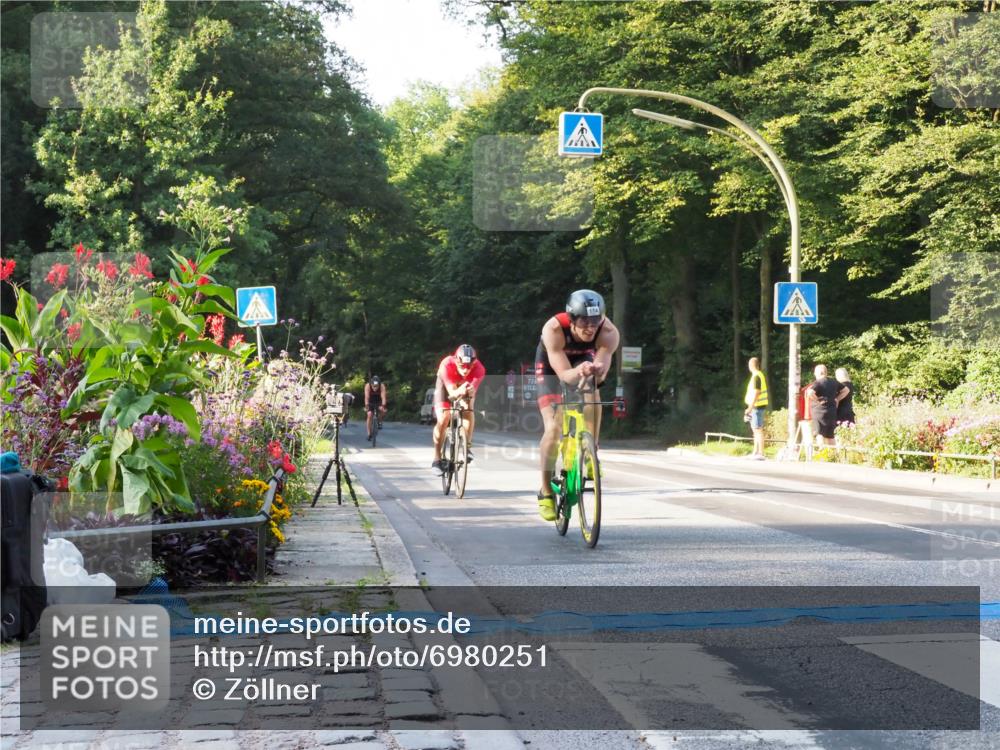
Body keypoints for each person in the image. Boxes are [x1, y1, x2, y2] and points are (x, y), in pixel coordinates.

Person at [535, 289, 620, 521]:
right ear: (572, 318)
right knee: (553, 429)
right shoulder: (553, 330)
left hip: (583, 361)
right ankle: (545, 491)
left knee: (592, 390)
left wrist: (596, 371)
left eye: (596, 320)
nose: (591, 327)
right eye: (584, 321)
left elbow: (600, 375)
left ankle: (591, 451)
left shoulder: (609, 332)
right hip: (554, 367)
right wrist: (579, 371)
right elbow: (564, 375)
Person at [432, 345, 486, 475]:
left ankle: (466, 446)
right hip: (446, 388)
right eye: (462, 366)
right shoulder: (446, 364)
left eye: (469, 366)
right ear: (457, 361)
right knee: (444, 417)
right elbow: (452, 393)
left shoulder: (479, 368)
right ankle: (437, 458)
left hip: (464, 387)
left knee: (468, 409)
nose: (466, 370)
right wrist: (459, 391)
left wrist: (469, 393)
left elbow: (471, 392)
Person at [806, 365, 848, 447]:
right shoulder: (834, 382)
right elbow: (846, 390)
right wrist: (837, 399)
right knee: (830, 436)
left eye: (815, 372)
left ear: (818, 373)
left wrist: (817, 400)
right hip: (831, 412)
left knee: (819, 434)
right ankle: (833, 457)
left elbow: (810, 392)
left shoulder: (818, 382)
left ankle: (822, 456)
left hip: (819, 413)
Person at [743, 357, 768, 460]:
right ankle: (755, 452)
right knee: (755, 429)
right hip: (757, 406)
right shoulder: (757, 375)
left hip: (757, 406)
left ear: (751, 366)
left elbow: (757, 393)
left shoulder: (757, 376)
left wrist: (750, 407)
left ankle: (761, 453)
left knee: (758, 429)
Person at [364, 375, 387, 441]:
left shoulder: (382, 386)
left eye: (376, 386)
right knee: (369, 414)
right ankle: (369, 434)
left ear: (379, 384)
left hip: (379, 400)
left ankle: (380, 421)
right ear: (371, 384)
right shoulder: (367, 386)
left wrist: (383, 406)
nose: (375, 388)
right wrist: (367, 405)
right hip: (370, 400)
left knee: (382, 410)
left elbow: (383, 397)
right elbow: (366, 397)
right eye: (373, 386)